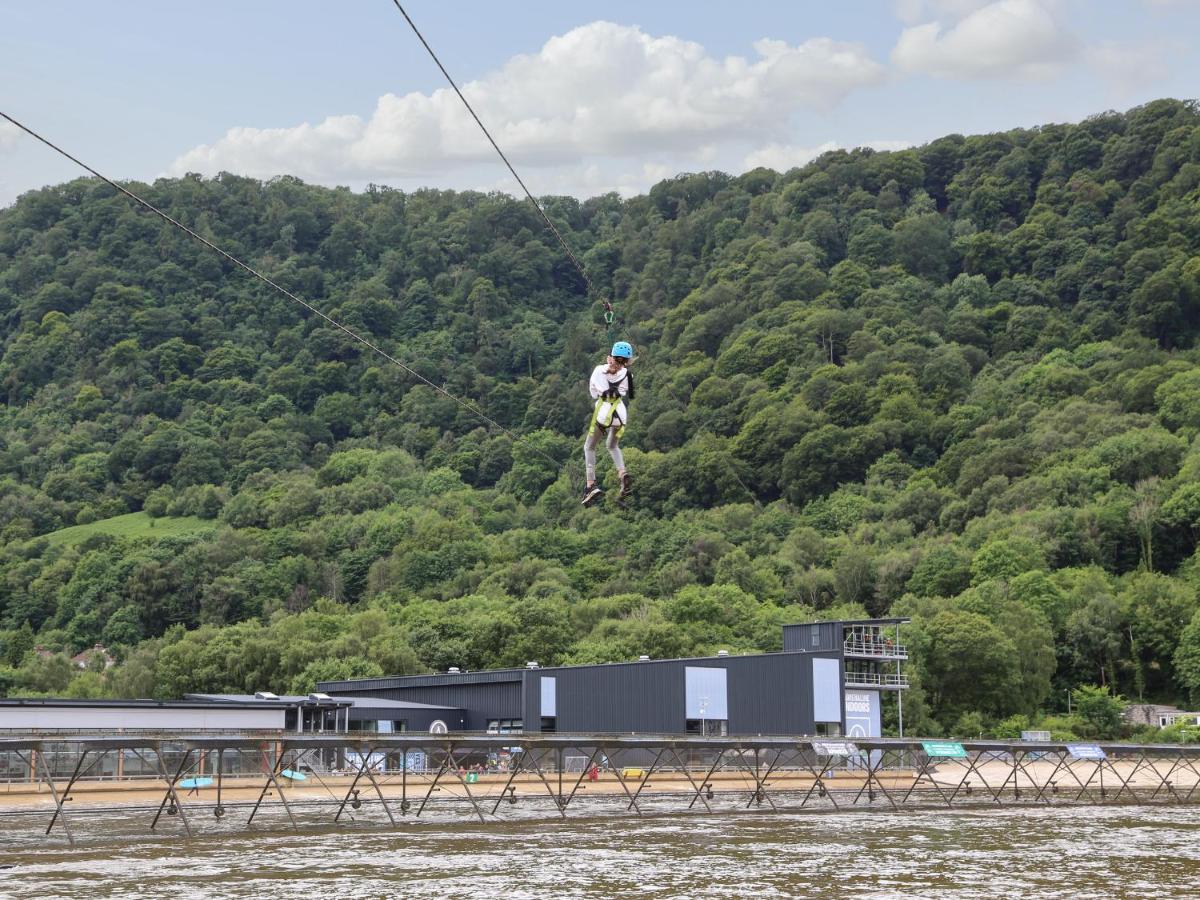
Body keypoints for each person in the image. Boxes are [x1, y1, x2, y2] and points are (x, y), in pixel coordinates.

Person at [582, 341, 635, 506]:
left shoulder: (599, 370)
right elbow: (626, 393)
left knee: (589, 447)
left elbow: (593, 394)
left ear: (611, 357)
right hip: (620, 414)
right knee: (612, 446)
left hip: (604, 412)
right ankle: (622, 473)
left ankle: (591, 485)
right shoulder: (627, 374)